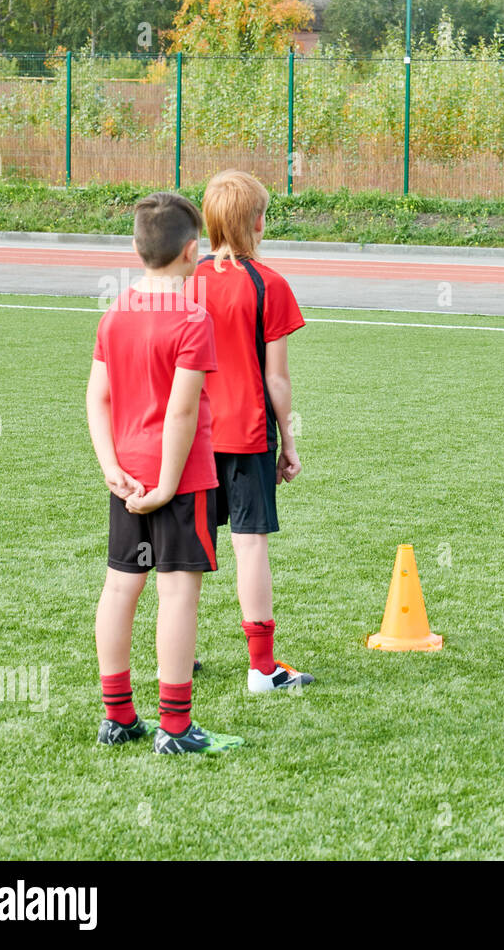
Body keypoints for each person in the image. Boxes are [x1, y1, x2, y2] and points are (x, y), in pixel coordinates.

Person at [87, 191, 242, 753]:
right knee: (178, 595)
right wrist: (169, 485)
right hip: (179, 481)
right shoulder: (192, 319)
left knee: (121, 586)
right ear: (192, 252)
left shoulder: (115, 311)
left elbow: (96, 397)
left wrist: (111, 467)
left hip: (125, 475)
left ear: (135, 248)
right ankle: (175, 728)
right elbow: (180, 410)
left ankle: (119, 717)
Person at [193, 170, 313, 692]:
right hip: (247, 434)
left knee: (185, 552)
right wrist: (289, 442)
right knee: (250, 546)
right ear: (259, 221)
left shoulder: (183, 280)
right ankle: (262, 669)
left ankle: (173, 657)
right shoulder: (269, 283)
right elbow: (277, 379)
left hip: (189, 437)